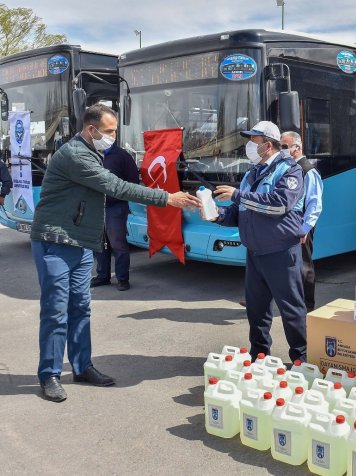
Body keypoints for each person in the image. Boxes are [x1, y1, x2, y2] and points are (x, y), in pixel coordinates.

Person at [30, 104, 201, 402]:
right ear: (90, 129)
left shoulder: (94, 151)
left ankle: (83, 367)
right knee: (56, 312)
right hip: (55, 242)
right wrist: (166, 198)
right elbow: (113, 185)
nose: (112, 137)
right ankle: (50, 374)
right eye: (109, 131)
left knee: (80, 308)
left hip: (81, 242)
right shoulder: (75, 154)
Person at [212, 121, 307, 363]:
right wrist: (217, 215)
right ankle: (260, 357)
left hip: (281, 252)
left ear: (268, 144)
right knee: (256, 310)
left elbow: (278, 204)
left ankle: (300, 360)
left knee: (291, 310)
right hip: (255, 253)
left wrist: (238, 194)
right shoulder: (252, 173)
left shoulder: (290, 170)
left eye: (253, 141)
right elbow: (240, 210)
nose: (249, 146)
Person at [281, 130, 323, 311]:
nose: (280, 150)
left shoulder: (308, 171)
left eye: (284, 146)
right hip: (287, 223)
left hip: (301, 225)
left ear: (296, 147)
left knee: (304, 265)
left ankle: (308, 306)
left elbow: (315, 203)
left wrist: (305, 228)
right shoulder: (288, 167)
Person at [91, 142, 140, 291]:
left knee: (117, 243)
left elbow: (133, 181)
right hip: (96, 207)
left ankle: (122, 278)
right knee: (99, 243)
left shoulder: (121, 155)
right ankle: (103, 276)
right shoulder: (90, 154)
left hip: (116, 207)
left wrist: (118, 194)